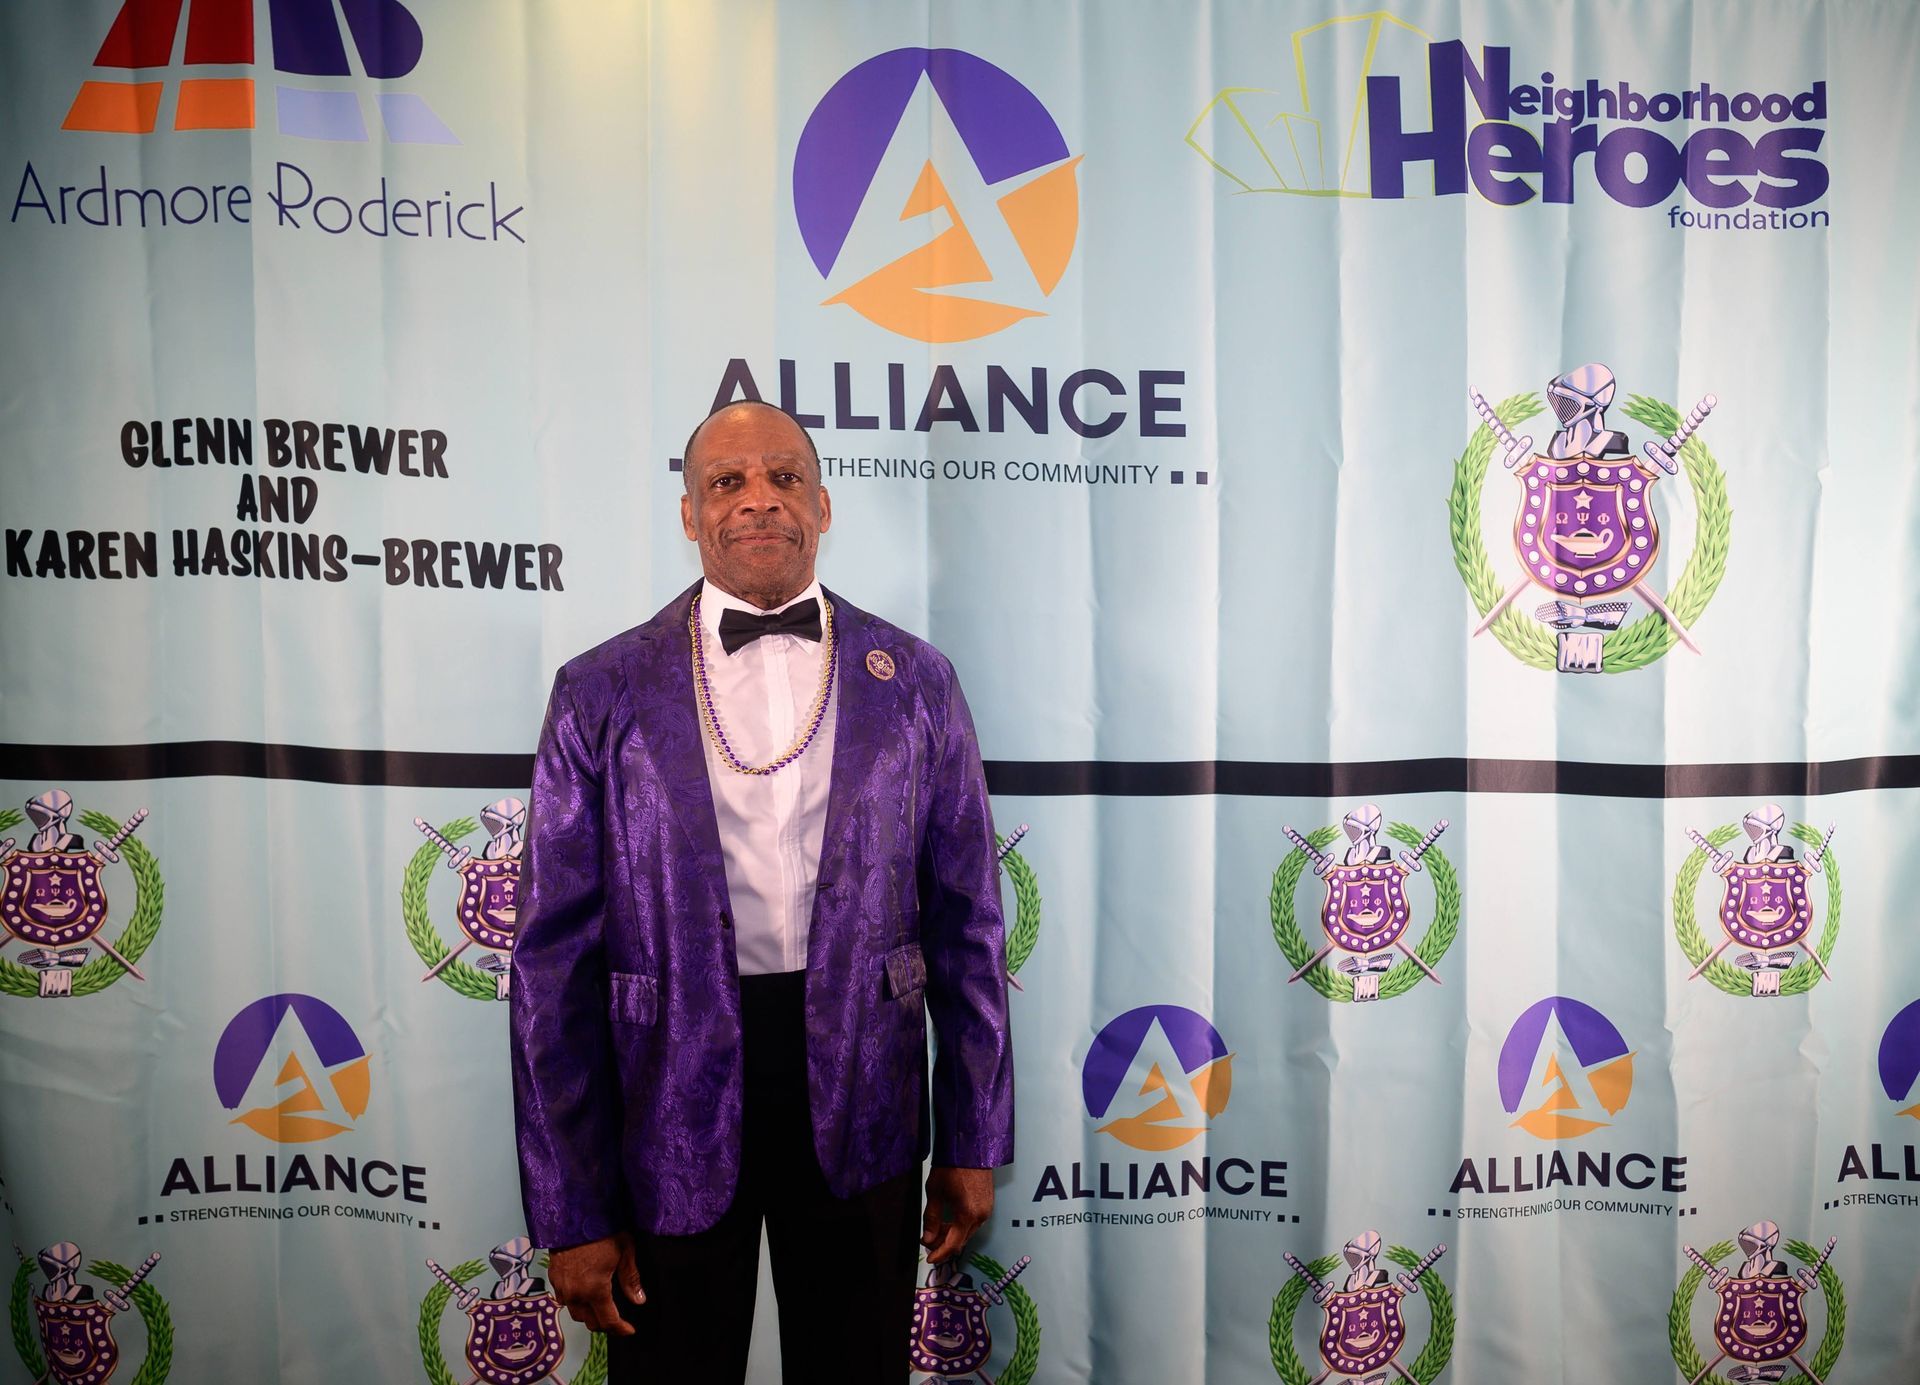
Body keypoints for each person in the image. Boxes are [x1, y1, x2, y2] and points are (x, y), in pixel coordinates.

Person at [509, 400, 1014, 1382]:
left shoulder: (915, 679)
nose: (758, 500)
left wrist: (972, 1129)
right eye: (727, 482)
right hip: (665, 1091)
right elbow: (551, 960)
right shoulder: (599, 689)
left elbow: (967, 922)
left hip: (866, 1084)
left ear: (822, 505)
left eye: (784, 477)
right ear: (691, 514)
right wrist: (571, 1202)